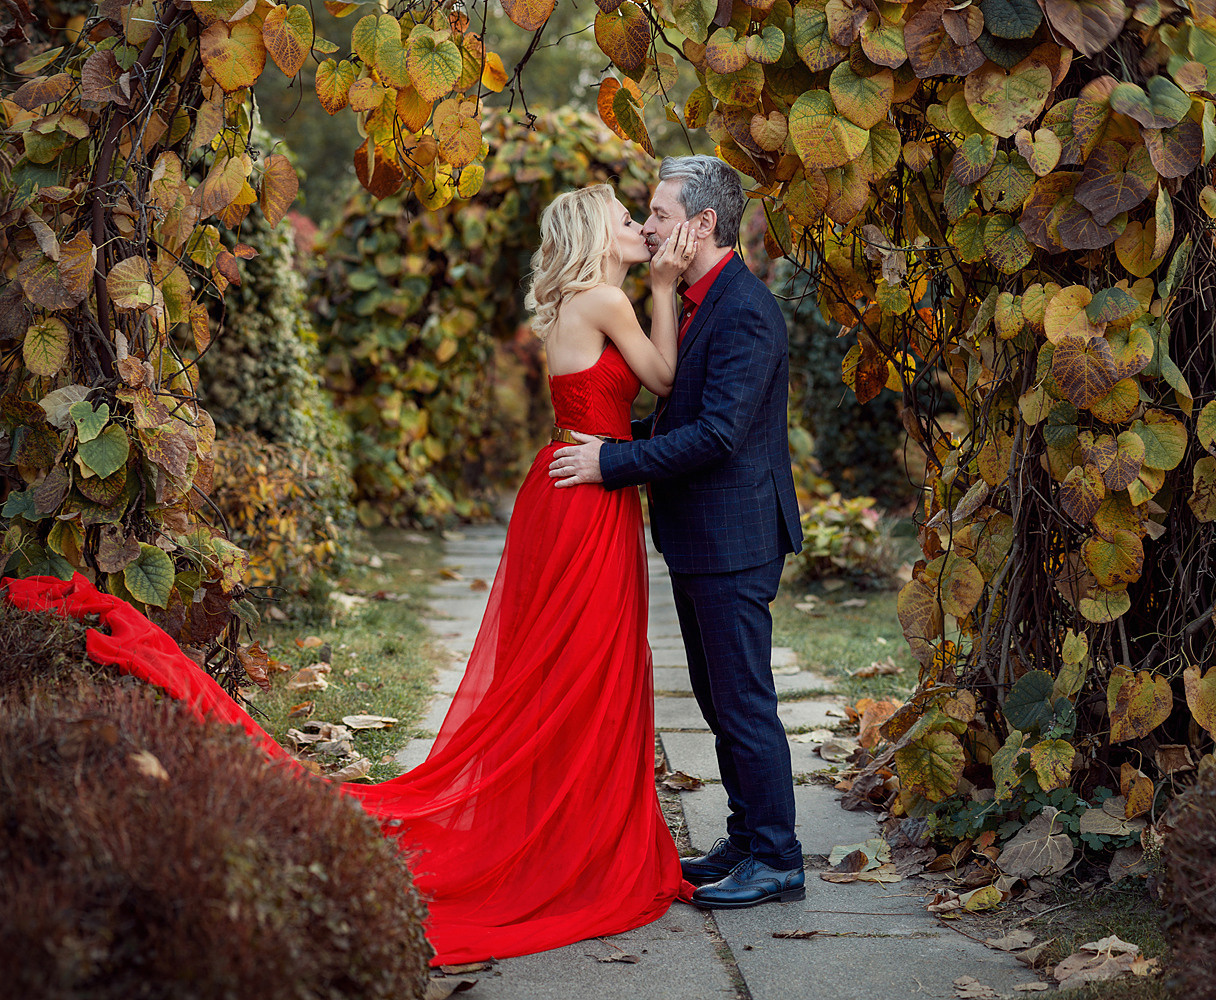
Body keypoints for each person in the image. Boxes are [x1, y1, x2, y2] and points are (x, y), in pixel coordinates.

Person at [550, 155, 806, 910]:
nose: (649, 224)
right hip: (700, 536)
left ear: (702, 224)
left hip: (736, 538)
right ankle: (747, 835)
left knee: (743, 699)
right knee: (717, 697)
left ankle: (780, 860)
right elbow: (678, 411)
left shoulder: (746, 310)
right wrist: (605, 433)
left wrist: (614, 462)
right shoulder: (697, 298)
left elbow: (719, 435)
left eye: (659, 213)